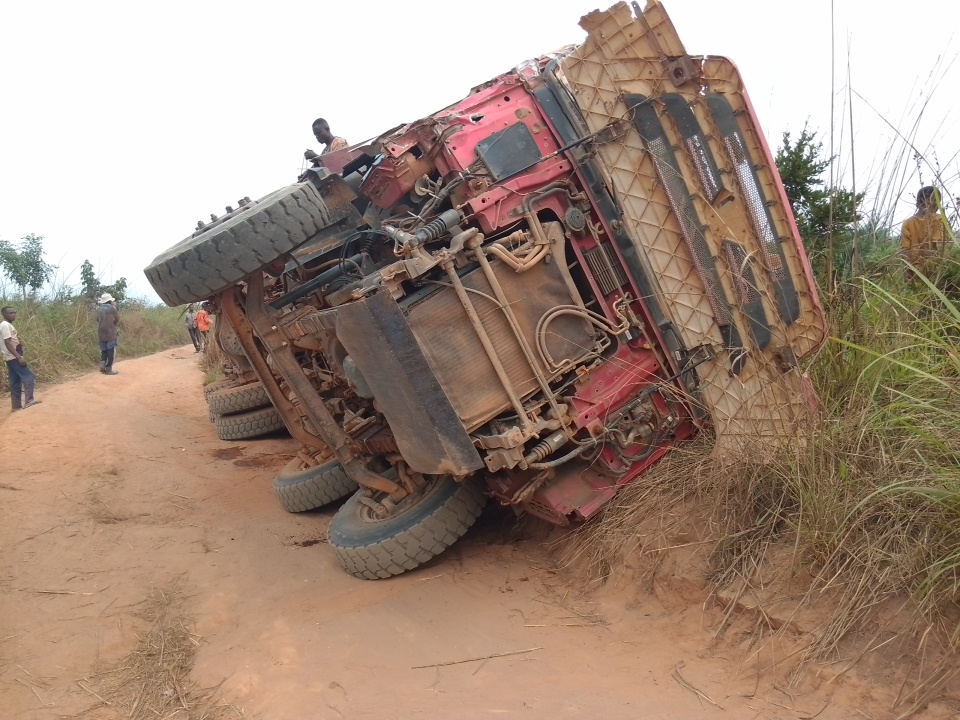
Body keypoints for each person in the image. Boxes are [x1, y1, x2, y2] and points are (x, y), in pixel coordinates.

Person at [901, 186, 950, 280]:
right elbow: (941, 246)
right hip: (935, 269)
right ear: (935, 203)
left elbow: (905, 251)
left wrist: (907, 271)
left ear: (917, 203)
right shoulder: (939, 220)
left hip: (916, 269)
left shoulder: (907, 223)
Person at [1, 306, 40, 410]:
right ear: (4, 314)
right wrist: (18, 357)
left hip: (10, 357)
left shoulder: (7, 325)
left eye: (14, 313)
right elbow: (8, 342)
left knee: (15, 381)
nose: (13, 315)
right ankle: (29, 401)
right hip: (13, 357)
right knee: (28, 376)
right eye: (10, 313)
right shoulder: (5, 325)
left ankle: (16, 406)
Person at [96, 293, 120, 375]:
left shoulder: (98, 309)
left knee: (104, 350)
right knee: (110, 350)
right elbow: (117, 319)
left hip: (101, 332)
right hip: (110, 332)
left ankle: (102, 363)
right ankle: (109, 369)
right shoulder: (112, 309)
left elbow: (97, 320)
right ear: (110, 301)